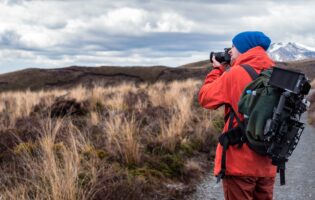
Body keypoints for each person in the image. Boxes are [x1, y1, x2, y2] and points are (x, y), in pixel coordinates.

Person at [198, 31, 277, 200]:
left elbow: (205, 98)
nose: (230, 51)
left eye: (233, 46)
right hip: (267, 163)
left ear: (243, 48)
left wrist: (217, 70)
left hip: (240, 162)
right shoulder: (276, 74)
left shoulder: (234, 74)